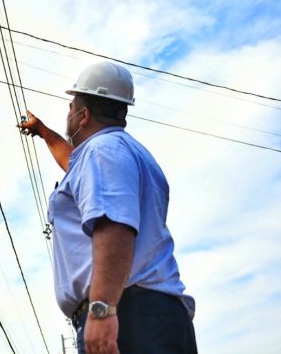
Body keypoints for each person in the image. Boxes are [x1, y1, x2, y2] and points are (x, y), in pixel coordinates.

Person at [18, 61, 197, 354]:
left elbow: (115, 227)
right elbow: (74, 169)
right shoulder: (118, 151)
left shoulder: (101, 154)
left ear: (83, 114)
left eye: (71, 107)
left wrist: (102, 311)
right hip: (146, 314)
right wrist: (44, 133)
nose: (68, 114)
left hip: (128, 316)